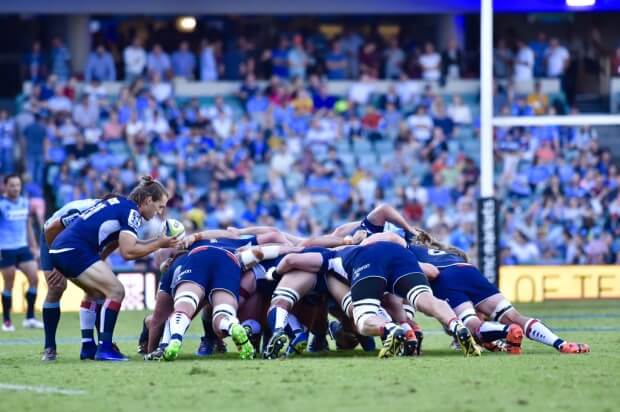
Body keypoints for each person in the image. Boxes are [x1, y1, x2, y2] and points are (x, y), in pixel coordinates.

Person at [49, 176, 182, 361]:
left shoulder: (119, 204)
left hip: (64, 248)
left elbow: (119, 244)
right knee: (116, 290)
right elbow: (128, 251)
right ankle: (105, 348)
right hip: (75, 250)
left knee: (95, 293)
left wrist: (159, 242)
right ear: (148, 200)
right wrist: (159, 243)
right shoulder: (132, 213)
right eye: (160, 206)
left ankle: (88, 346)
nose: (160, 212)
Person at [407, 243, 590, 354]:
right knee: (513, 315)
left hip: (445, 279)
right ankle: (562, 344)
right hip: (468, 270)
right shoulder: (435, 249)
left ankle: (507, 332)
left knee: (471, 324)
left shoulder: (403, 251)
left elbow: (430, 275)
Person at [162, 244, 255, 361]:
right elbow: (262, 251)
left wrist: (163, 345)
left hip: (199, 255)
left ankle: (175, 339)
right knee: (222, 314)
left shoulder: (184, 252)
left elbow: (159, 314)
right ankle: (232, 326)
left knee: (183, 308)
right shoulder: (241, 241)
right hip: (229, 259)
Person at [40, 198, 101, 360]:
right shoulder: (83, 214)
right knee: (56, 286)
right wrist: (58, 263)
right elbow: (53, 229)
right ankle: (49, 347)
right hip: (52, 235)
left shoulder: (115, 217)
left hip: (80, 243)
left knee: (99, 287)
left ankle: (100, 344)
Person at [0, 174, 42, 332]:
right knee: (8, 284)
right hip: (5, 248)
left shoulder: (25, 202)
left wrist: (34, 245)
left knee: (34, 278)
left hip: (22, 247)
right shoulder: (2, 205)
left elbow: (28, 225)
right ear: (5, 187)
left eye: (18, 185)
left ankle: (30, 318)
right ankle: (7, 321)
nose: (16, 188)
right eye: (12, 185)